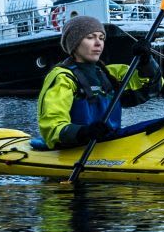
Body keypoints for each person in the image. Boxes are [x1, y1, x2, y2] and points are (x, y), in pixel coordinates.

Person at [36, 14, 155, 149]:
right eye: (90, 37)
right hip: (76, 147)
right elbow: (52, 125)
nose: (98, 43)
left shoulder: (110, 73)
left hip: (108, 143)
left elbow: (151, 88)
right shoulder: (63, 77)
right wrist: (83, 132)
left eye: (101, 38)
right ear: (74, 44)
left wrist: (146, 62)